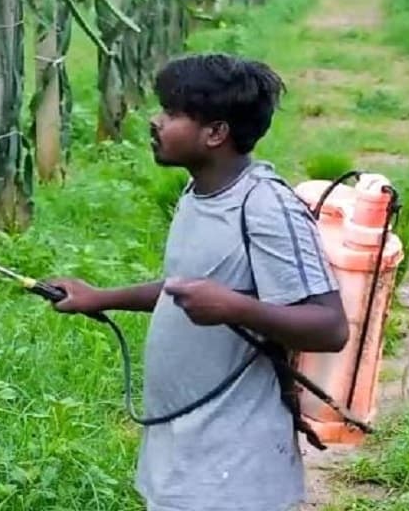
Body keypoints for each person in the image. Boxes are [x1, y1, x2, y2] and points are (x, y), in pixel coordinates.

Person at [47, 53, 349, 511]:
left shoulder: (266, 207)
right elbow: (184, 288)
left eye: (171, 113)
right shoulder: (199, 192)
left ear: (215, 132)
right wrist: (100, 297)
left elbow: (330, 327)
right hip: (183, 453)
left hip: (236, 470)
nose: (155, 121)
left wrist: (234, 307)